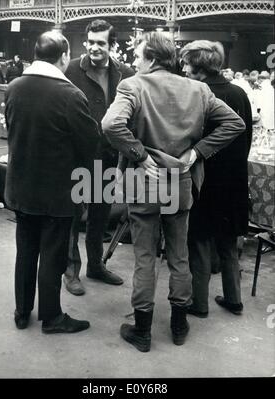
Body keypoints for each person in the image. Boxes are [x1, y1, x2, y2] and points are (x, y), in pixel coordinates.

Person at [102, 32, 245, 352]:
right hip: (180, 184)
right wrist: (197, 153)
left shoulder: (133, 85)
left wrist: (139, 153)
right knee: (179, 255)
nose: (136, 62)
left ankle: (142, 330)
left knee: (144, 258)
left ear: (151, 59)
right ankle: (179, 324)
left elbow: (111, 125)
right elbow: (234, 123)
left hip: (144, 183)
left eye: (139, 57)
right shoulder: (198, 89)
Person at [4, 31, 100, 334]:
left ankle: (22, 311)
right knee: (52, 253)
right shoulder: (70, 95)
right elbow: (90, 143)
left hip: (20, 187)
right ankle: (52, 317)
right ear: (63, 57)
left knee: (26, 250)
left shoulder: (14, 87)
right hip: (57, 192)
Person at [180, 40, 252, 318]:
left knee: (198, 242)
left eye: (187, 64)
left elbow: (190, 137)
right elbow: (246, 137)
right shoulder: (239, 92)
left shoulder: (198, 93)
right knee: (228, 242)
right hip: (234, 180)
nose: (183, 69)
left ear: (199, 68)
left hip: (205, 180)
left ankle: (199, 303)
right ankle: (234, 299)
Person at [63, 19, 134, 295]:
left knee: (100, 216)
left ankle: (95, 265)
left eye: (100, 43)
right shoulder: (71, 69)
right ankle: (71, 271)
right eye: (90, 42)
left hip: (107, 157)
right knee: (73, 216)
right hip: (77, 156)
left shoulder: (124, 73)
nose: (94, 47)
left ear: (111, 45)